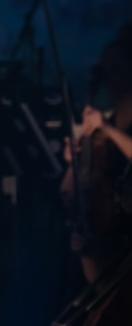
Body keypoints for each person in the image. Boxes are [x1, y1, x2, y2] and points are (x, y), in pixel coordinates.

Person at [60, 23, 132, 284]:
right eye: (105, 70)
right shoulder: (102, 127)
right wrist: (73, 162)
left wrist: (108, 130)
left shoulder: (107, 128)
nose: (110, 77)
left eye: (117, 68)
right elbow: (67, 191)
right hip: (108, 228)